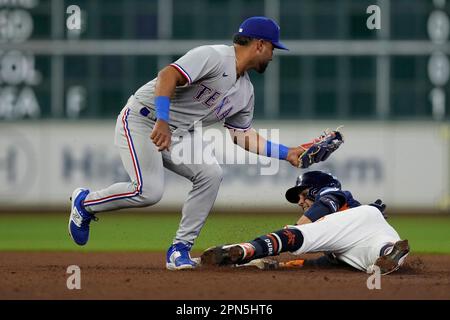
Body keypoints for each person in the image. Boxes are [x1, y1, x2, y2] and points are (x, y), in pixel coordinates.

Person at [68, 17, 343, 270]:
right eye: (272, 48)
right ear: (260, 44)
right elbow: (168, 76)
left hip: (180, 132)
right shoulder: (213, 56)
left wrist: (289, 154)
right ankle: (85, 203)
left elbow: (241, 136)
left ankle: (179, 249)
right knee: (148, 191)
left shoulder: (245, 91)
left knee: (211, 174)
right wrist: (162, 120)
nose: (273, 55)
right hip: (143, 119)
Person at [201, 171, 410, 275]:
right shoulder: (335, 232)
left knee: (299, 234)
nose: (300, 202)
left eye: (302, 195)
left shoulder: (331, 194)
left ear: (316, 189)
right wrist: (277, 265)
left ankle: (244, 250)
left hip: (356, 221)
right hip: (369, 233)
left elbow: (323, 208)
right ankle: (390, 252)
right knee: (374, 261)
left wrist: (292, 235)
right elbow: (321, 264)